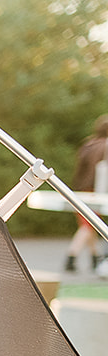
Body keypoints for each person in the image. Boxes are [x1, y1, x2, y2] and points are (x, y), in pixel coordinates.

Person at [65, 114, 108, 274]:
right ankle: (71, 256)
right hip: (96, 190)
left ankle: (95, 257)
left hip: (81, 189)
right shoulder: (106, 146)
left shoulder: (88, 144)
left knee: (89, 225)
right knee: (88, 225)